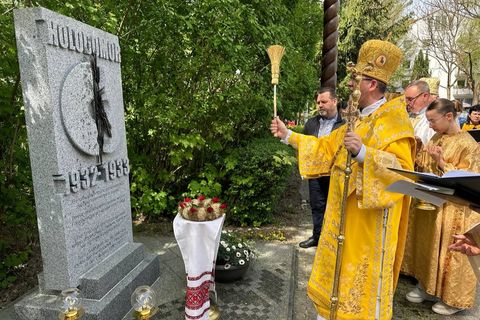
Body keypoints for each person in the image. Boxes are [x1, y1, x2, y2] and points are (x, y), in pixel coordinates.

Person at [270, 39, 415, 320]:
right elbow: (325, 148)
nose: (350, 84)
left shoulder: (395, 125)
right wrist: (287, 136)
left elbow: (403, 175)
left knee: (357, 295)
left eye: (356, 79)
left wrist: (363, 153)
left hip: (367, 229)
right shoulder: (358, 119)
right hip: (341, 221)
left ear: (371, 84)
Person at [401, 98, 480, 315]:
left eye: (432, 120)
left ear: (448, 116)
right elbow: (425, 166)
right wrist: (418, 150)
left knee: (450, 252)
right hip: (434, 202)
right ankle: (427, 287)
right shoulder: (437, 137)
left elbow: (469, 179)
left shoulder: (469, 144)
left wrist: (442, 163)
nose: (430, 126)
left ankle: (452, 300)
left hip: (457, 209)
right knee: (429, 245)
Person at [299, 87, 344, 249]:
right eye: (318, 102)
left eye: (324, 101)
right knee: (317, 205)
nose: (320, 105)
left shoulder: (344, 125)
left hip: (335, 173)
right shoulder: (311, 123)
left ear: (334, 101)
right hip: (316, 174)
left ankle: (332, 240)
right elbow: (303, 145)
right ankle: (317, 237)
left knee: (335, 207)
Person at [404, 80, 435, 149]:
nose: (407, 103)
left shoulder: (433, 120)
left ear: (425, 96)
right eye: (405, 99)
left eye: (410, 99)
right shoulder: (406, 116)